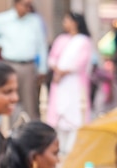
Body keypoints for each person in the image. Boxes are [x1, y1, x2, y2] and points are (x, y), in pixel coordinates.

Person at [0, 0, 49, 120]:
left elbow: (42, 45)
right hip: (10, 65)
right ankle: (13, 132)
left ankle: (31, 132)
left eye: (29, 5)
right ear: (16, 4)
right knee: (9, 101)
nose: (27, 8)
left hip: (28, 66)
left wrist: (42, 68)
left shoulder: (34, 21)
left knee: (30, 102)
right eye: (25, 5)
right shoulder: (4, 19)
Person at [46, 11, 93, 154]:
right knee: (59, 114)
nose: (64, 23)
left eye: (67, 20)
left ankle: (73, 149)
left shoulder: (84, 41)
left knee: (75, 114)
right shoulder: (61, 39)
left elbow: (80, 63)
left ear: (75, 23)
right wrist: (57, 70)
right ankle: (60, 147)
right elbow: (52, 58)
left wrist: (62, 72)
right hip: (60, 83)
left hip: (74, 82)